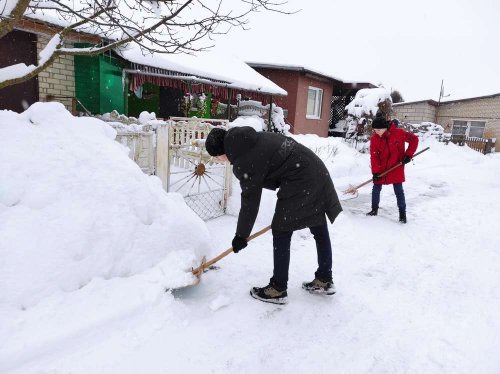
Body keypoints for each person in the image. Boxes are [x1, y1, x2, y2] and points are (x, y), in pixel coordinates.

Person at [204, 126, 342, 305]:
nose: (218, 161)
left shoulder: (243, 159)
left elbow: (250, 202)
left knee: (281, 229)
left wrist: (241, 235)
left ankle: (278, 288)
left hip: (300, 178)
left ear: (221, 152)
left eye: (216, 157)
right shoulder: (246, 140)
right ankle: (324, 278)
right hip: (314, 169)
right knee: (317, 224)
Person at [366, 113, 419, 223]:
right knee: (376, 189)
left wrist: (408, 155)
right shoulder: (374, 139)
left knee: (399, 191)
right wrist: (375, 172)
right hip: (381, 169)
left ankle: (402, 215)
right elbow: (374, 156)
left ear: (385, 128)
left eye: (379, 130)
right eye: (375, 130)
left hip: (396, 167)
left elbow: (414, 140)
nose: (377, 133)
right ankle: (374, 210)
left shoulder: (399, 133)